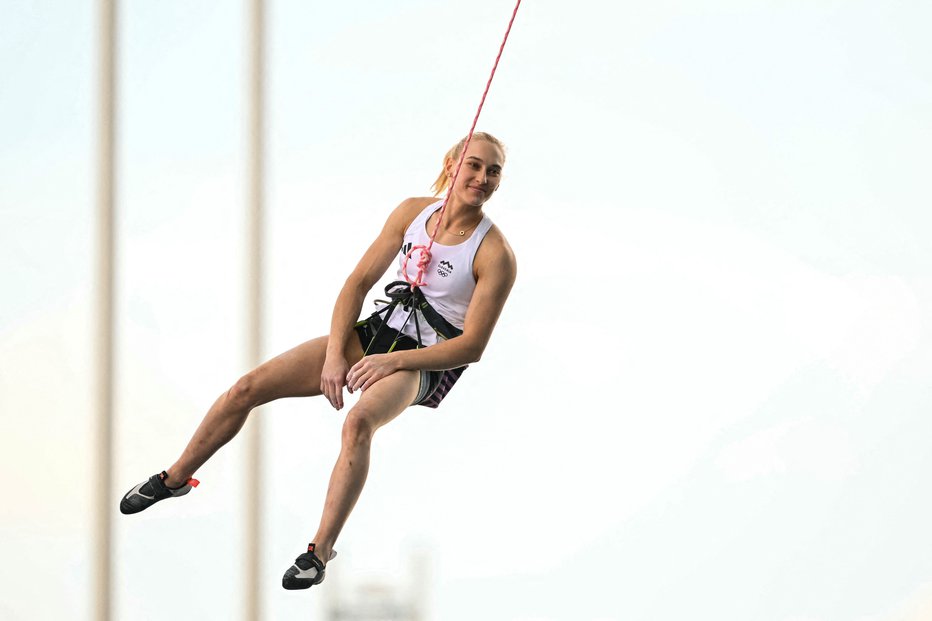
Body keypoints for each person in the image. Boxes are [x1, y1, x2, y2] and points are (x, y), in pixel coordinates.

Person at [118, 131, 517, 590]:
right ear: (452, 165)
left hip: (426, 359)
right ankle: (175, 478)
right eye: (474, 165)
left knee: (358, 422)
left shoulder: (495, 253)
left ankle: (319, 552)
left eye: (493, 171)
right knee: (246, 389)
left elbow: (472, 347)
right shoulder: (413, 212)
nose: (482, 177)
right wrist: (333, 354)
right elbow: (358, 281)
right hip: (376, 332)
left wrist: (393, 363)